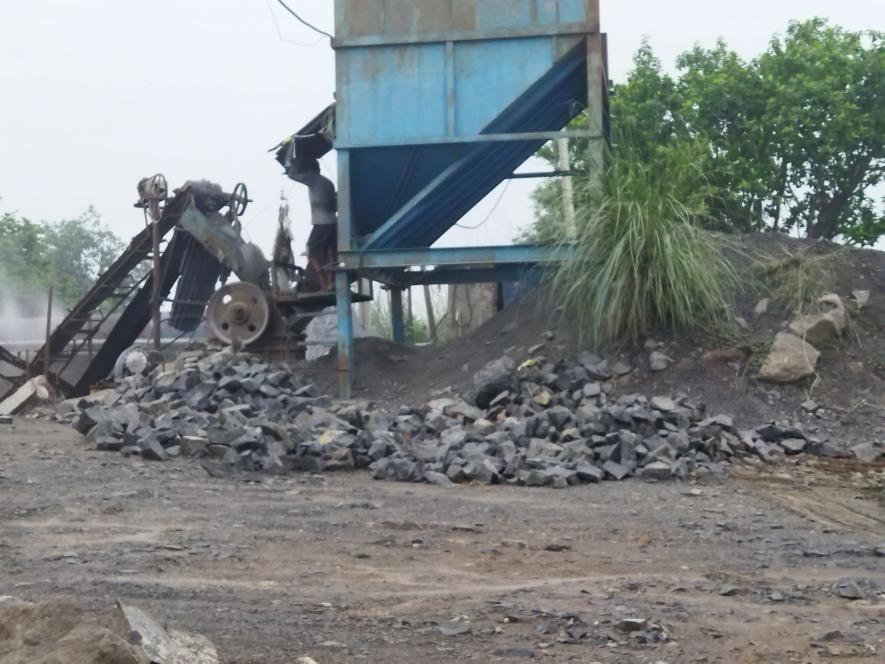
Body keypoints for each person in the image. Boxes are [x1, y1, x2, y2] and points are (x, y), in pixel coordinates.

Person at [286, 157, 338, 292]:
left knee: (313, 250)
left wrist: (291, 162)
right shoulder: (328, 182)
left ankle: (324, 284)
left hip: (322, 223)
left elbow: (293, 175)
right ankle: (331, 282)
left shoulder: (313, 179)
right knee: (330, 253)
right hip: (333, 222)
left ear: (309, 170)